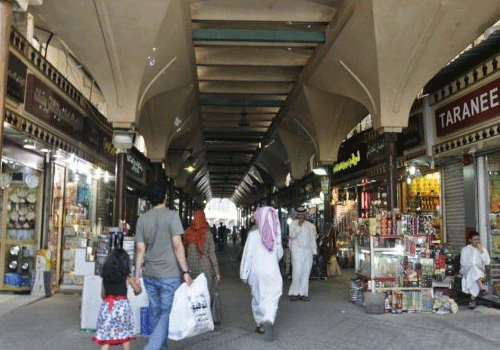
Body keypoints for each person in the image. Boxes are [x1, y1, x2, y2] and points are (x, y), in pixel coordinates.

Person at [134, 181, 193, 350]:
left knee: (155, 312)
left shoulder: (142, 219)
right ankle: (152, 347)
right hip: (169, 274)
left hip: (150, 273)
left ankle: (161, 347)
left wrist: (137, 274)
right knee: (167, 312)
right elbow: (177, 245)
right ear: (165, 198)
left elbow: (140, 249)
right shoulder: (172, 216)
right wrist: (185, 271)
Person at [240, 206, 283, 342]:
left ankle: (260, 324)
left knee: (258, 297)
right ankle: (269, 319)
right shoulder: (276, 235)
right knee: (272, 296)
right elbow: (280, 254)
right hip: (272, 271)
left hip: (256, 272)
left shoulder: (252, 235)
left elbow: (247, 256)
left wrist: (243, 274)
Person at [92, 249, 142, 350]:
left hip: (108, 307)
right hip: (123, 309)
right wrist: (138, 286)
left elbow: (103, 295)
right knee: (125, 337)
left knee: (106, 338)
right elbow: (138, 291)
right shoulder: (127, 277)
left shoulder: (105, 276)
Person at [183, 209, 221, 296]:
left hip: (190, 269)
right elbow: (212, 254)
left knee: (191, 296)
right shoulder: (208, 234)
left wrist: (184, 270)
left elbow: (184, 252)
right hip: (205, 269)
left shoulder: (187, 233)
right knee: (204, 297)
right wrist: (217, 272)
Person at [288, 206, 317, 301]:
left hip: (307, 252)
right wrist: (299, 226)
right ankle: (294, 293)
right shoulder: (293, 224)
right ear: (296, 215)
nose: (301, 217)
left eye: (302, 215)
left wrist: (314, 251)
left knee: (306, 272)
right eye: (299, 215)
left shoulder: (310, 226)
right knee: (297, 272)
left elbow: (313, 239)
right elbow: (292, 235)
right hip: (297, 251)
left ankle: (303, 293)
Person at [460, 231, 491, 309]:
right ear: (470, 240)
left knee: (475, 274)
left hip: (480, 274)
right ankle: (481, 289)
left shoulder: (483, 249)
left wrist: (481, 252)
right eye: (475, 239)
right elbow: (463, 263)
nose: (477, 241)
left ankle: (473, 299)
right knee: (474, 269)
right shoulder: (465, 250)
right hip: (467, 271)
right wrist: (474, 267)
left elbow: (487, 262)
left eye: (478, 239)